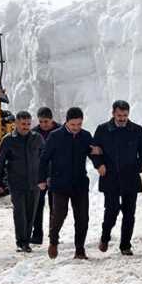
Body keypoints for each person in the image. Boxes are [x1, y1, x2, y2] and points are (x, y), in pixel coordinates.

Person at [38, 107, 101, 260]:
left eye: (79, 124)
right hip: (60, 183)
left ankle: (80, 250)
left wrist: (99, 163)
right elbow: (44, 159)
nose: (76, 128)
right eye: (73, 125)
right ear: (66, 122)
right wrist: (41, 179)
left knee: (82, 218)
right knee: (59, 215)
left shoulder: (85, 136)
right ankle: (53, 241)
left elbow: (92, 152)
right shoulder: (55, 136)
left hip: (79, 183)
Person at [93, 100, 142, 256]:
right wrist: (99, 165)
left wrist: (139, 166)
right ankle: (105, 237)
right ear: (113, 113)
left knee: (129, 213)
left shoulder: (137, 130)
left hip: (130, 177)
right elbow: (94, 151)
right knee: (111, 210)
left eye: (125, 115)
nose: (122, 118)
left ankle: (125, 245)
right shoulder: (102, 130)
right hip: (110, 177)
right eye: (119, 115)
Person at [0, 111, 45, 253]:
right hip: (16, 182)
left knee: (31, 212)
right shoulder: (8, 140)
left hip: (34, 182)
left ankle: (26, 241)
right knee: (19, 212)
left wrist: (46, 177)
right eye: (23, 124)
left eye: (28, 124)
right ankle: (21, 241)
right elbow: (0, 161)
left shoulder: (37, 138)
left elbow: (45, 159)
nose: (26, 127)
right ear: (16, 123)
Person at [30, 106, 60, 245]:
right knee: (37, 206)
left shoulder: (60, 131)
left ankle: (53, 234)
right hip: (40, 175)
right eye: (41, 121)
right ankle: (37, 235)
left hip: (56, 174)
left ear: (52, 120)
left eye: (46, 121)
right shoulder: (34, 133)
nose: (43, 124)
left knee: (55, 207)